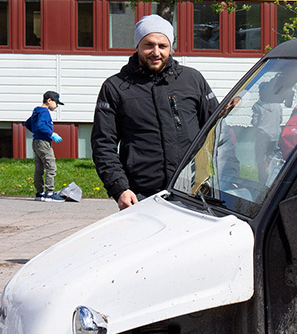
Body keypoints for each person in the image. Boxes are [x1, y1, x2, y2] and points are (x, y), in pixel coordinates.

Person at [92, 14, 219, 209]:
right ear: (137, 46)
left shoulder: (192, 80)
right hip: (141, 195)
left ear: (171, 47)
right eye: (149, 45)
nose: (156, 52)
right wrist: (120, 189)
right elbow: (103, 145)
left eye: (162, 46)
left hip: (193, 193)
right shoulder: (115, 87)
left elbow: (218, 132)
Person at [24, 90, 64, 202]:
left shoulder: (36, 111)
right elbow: (41, 125)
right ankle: (49, 193)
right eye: (56, 103)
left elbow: (28, 123)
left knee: (39, 167)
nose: (56, 106)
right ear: (49, 100)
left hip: (36, 141)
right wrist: (51, 134)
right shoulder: (44, 112)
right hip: (44, 142)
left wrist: (37, 132)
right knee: (51, 166)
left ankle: (40, 193)